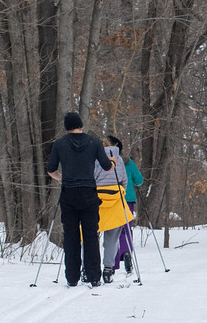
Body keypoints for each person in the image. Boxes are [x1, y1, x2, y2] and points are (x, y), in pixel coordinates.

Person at [44, 111, 113, 287]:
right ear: (80, 125)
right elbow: (106, 167)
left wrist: (61, 177)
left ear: (66, 127)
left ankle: (72, 277)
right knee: (91, 235)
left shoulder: (59, 144)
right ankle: (94, 276)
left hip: (69, 193)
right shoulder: (94, 142)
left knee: (71, 236)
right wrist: (114, 163)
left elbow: (51, 169)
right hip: (89, 193)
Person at [104, 135, 144, 277]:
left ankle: (113, 264)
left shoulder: (103, 161)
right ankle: (126, 252)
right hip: (128, 200)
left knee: (112, 231)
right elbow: (139, 181)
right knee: (126, 230)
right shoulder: (128, 162)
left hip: (111, 199)